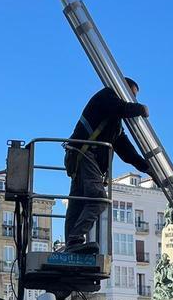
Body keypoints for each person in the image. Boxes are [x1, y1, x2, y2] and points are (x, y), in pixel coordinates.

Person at [62, 78, 156, 253]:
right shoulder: (107, 96)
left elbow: (126, 151)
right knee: (98, 199)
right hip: (85, 153)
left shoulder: (114, 124)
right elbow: (123, 108)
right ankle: (74, 241)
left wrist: (146, 168)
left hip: (82, 156)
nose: (132, 100)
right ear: (122, 89)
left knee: (78, 202)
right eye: (131, 95)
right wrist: (141, 109)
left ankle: (70, 245)